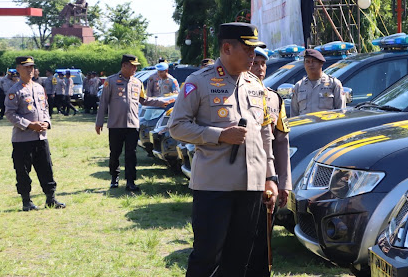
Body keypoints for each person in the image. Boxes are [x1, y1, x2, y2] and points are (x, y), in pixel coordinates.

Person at [168, 22, 278, 277]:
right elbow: (177, 127)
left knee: (239, 258)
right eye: (248, 50)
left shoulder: (255, 84)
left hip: (250, 186)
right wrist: (219, 135)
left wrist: (270, 177)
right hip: (214, 187)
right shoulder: (199, 82)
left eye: (255, 51)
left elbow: (264, 133)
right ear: (227, 48)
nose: (253, 56)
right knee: (207, 257)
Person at [247, 47, 292, 277]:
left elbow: (282, 142)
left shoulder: (274, 98)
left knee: (263, 238)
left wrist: (284, 183)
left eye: (263, 64)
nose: (260, 68)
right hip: (242, 178)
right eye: (255, 63)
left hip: (268, 179)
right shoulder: (236, 95)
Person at [95, 55, 167, 191]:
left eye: (136, 66)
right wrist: (99, 122)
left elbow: (144, 100)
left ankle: (130, 181)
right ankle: (114, 177)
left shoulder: (137, 82)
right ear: (124, 66)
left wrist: (161, 102)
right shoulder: (111, 81)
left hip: (132, 125)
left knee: (131, 154)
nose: (135, 68)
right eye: (132, 65)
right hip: (116, 125)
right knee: (115, 153)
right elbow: (103, 102)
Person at [5, 56, 66, 211]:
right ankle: (26, 201)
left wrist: (47, 122)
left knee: (46, 168)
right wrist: (29, 125)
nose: (30, 70)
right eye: (26, 67)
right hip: (23, 139)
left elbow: (45, 109)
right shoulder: (15, 90)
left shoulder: (39, 87)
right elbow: (10, 114)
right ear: (18, 69)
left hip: (41, 137)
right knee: (23, 171)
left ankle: (50, 199)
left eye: (32, 67)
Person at [290, 48, 345, 116]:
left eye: (314, 61)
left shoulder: (333, 84)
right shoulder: (299, 86)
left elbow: (341, 112)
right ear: (304, 64)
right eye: (307, 62)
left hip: (326, 125)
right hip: (305, 126)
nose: (310, 64)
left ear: (321, 63)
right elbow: (294, 115)